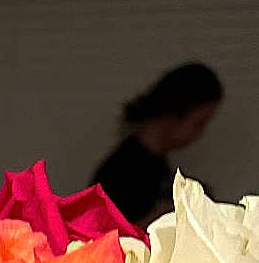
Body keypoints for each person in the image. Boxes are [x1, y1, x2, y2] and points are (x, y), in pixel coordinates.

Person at [92, 64, 224, 227]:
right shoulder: (120, 171)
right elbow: (104, 235)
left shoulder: (157, 165)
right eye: (199, 123)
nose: (200, 133)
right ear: (174, 112)